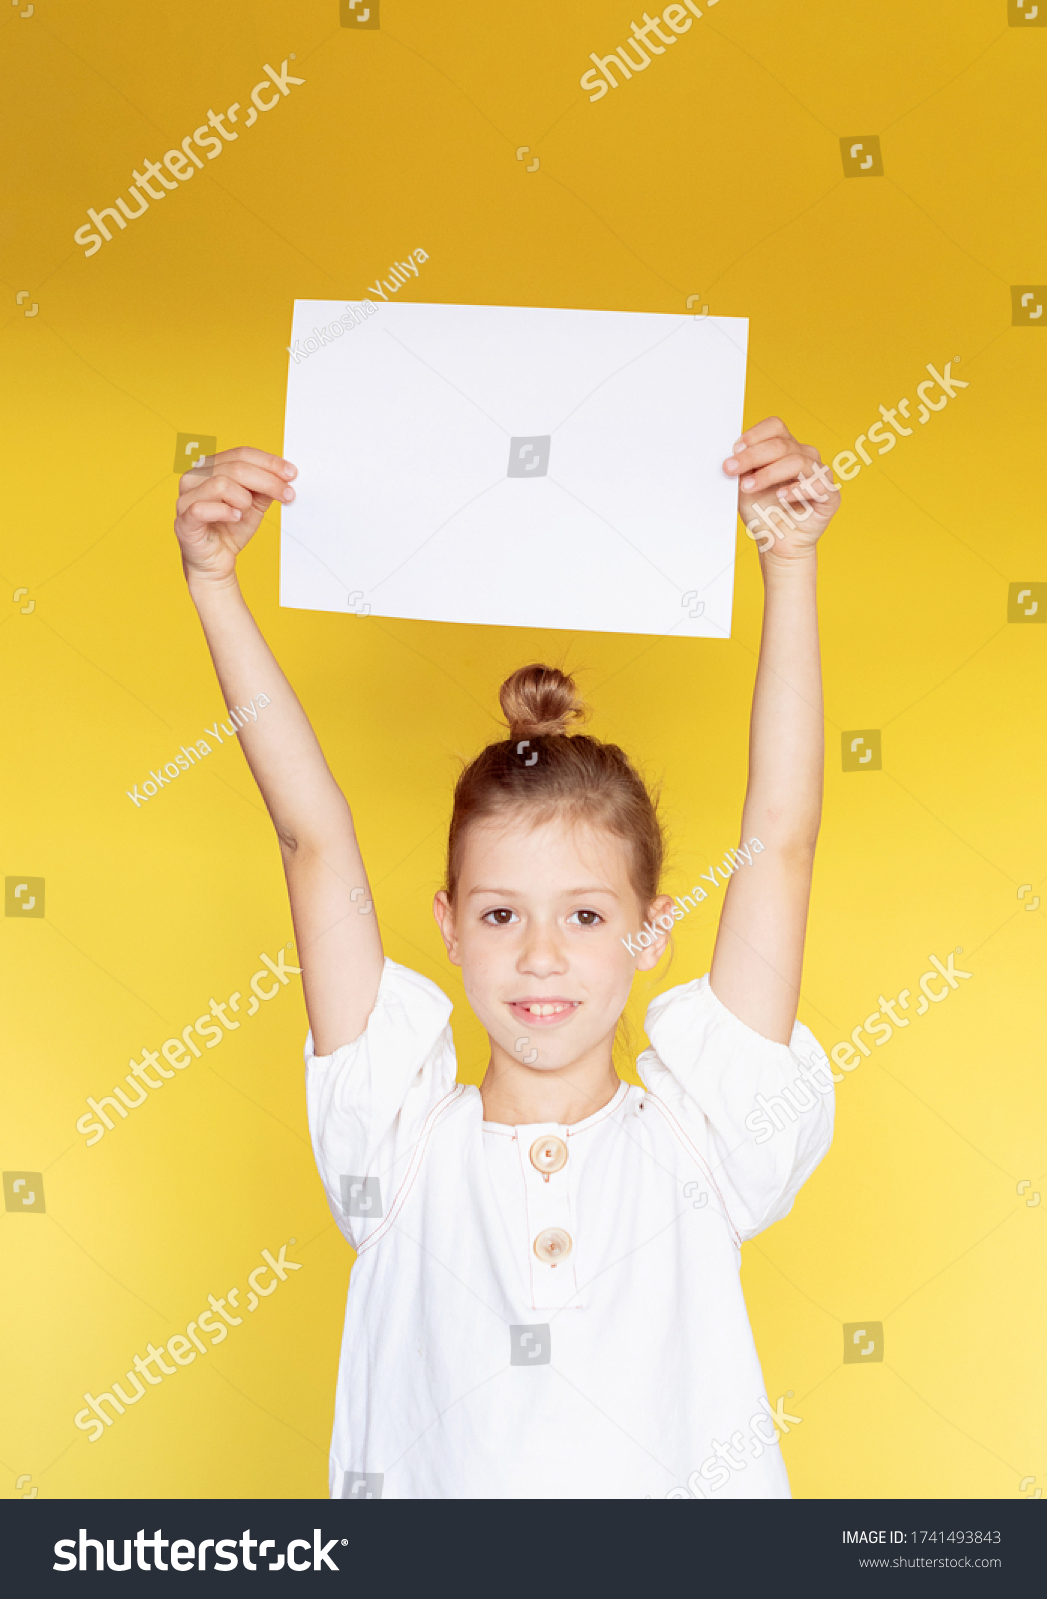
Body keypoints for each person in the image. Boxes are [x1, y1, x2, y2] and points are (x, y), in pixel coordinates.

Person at [172, 416, 841, 1499]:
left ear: (649, 930)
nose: (538, 957)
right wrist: (213, 582)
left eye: (583, 916)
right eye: (497, 916)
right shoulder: (390, 1142)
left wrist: (790, 561)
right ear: (444, 924)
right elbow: (311, 837)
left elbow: (785, 839)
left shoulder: (705, 1143)